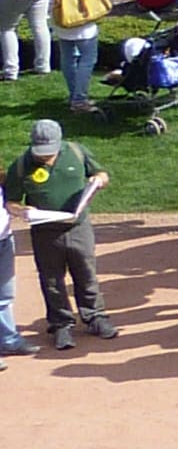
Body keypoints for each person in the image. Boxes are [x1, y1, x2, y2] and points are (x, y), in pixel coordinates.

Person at [11, 119, 114, 349]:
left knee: (86, 272)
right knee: (52, 280)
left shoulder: (77, 152)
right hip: (45, 232)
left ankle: (95, 316)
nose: (45, 157)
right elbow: (11, 202)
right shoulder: (20, 165)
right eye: (41, 152)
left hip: (78, 226)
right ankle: (60, 325)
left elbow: (102, 174)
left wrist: (98, 180)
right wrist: (22, 211)